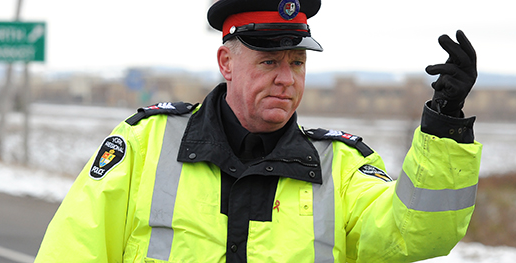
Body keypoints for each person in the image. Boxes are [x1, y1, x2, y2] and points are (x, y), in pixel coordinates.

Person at [34, 0, 481, 262]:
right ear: (226, 63)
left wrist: (445, 123)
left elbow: (418, 233)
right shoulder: (145, 144)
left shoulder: (342, 167)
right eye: (269, 61)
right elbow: (72, 250)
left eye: (297, 63)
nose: (286, 79)